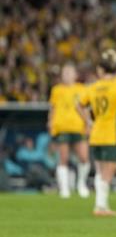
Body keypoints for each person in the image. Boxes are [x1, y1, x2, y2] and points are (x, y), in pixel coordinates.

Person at [77, 49, 116, 216]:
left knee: (100, 169)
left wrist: (87, 121)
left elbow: (78, 104)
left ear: (101, 70)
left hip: (96, 133)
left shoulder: (93, 87)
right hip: (111, 133)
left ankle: (99, 205)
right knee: (109, 170)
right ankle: (101, 206)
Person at [48, 64, 91, 198]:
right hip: (62, 127)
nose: (66, 75)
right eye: (64, 72)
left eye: (69, 72)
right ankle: (64, 188)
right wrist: (50, 123)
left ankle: (81, 184)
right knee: (63, 158)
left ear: (75, 75)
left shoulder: (82, 89)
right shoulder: (57, 90)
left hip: (78, 127)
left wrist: (88, 123)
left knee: (84, 157)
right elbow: (53, 108)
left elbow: (86, 108)